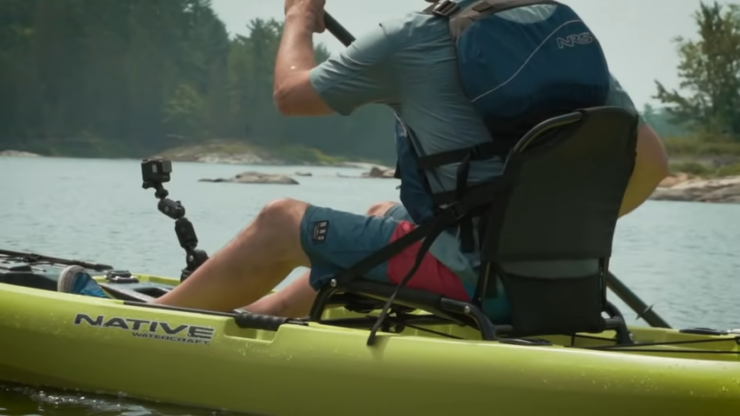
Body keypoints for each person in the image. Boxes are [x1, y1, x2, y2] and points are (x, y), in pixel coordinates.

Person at [58, 0, 668, 323]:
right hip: (565, 282)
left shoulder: (414, 36)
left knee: (280, 220)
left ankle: (150, 323)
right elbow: (651, 160)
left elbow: (291, 96)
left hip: (477, 284)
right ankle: (253, 320)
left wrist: (300, 18)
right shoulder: (566, 39)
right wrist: (555, 235)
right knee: (386, 213)